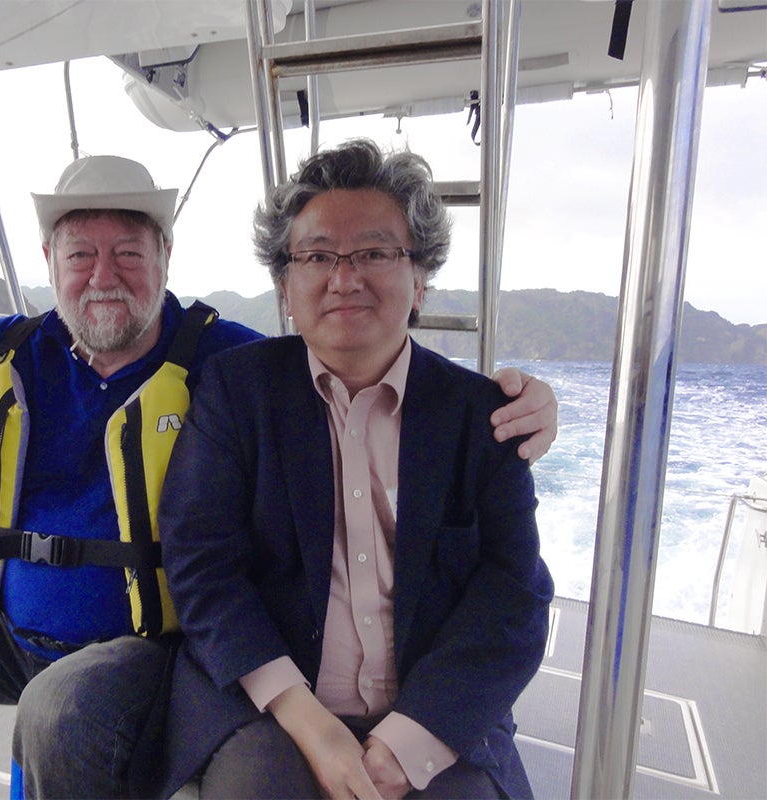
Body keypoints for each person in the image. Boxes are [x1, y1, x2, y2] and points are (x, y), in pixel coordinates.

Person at [0, 95, 557, 798]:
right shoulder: (9, 353)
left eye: (129, 254)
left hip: (143, 647)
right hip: (5, 627)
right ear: (50, 265)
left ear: (165, 260)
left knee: (59, 709)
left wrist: (525, 407)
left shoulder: (227, 362)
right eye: (80, 254)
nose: (103, 275)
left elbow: (351, 358)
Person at [153, 139, 555, 800]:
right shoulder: (235, 392)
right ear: (286, 287)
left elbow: (514, 591)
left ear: (419, 279)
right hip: (274, 709)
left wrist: (410, 743)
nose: (344, 279)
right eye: (316, 257)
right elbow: (201, 561)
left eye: (374, 252)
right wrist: (309, 722)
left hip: (436, 713)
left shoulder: (484, 416)